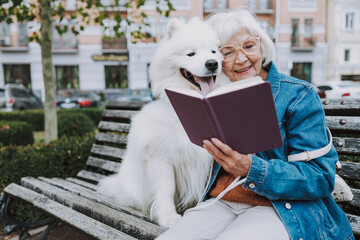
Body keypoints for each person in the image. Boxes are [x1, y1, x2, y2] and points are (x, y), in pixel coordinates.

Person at [156, 8, 354, 240]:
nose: (242, 59)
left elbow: (320, 177)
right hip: (223, 202)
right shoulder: (213, 95)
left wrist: (252, 169)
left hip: (281, 208)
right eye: (227, 52)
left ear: (262, 45)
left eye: (249, 46)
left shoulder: (298, 96)